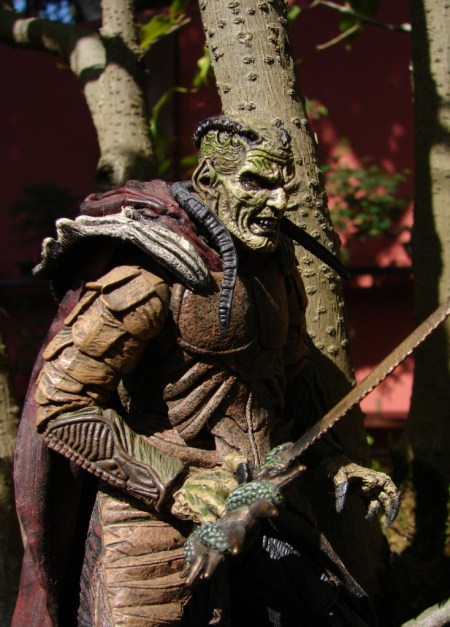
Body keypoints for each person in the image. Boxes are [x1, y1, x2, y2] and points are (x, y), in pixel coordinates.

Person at [13, 117, 398, 627]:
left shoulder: (278, 268)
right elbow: (62, 406)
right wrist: (175, 484)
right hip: (154, 518)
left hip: (266, 506)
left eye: (285, 186)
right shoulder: (150, 272)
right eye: (256, 183)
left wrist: (333, 463)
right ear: (209, 181)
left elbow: (293, 382)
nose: (278, 202)